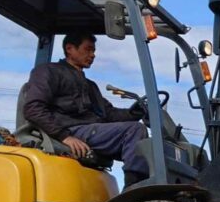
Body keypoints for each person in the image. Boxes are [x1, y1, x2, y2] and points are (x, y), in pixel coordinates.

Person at [23, 32, 148, 187]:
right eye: (88, 49)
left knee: (149, 146)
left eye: (93, 51)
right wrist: (65, 136)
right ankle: (135, 188)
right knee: (135, 130)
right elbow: (32, 108)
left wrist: (135, 112)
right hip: (69, 130)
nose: (93, 55)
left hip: (90, 132)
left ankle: (150, 184)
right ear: (70, 48)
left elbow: (109, 114)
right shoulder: (48, 71)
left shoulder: (90, 86)